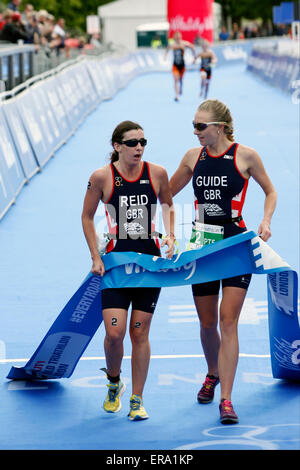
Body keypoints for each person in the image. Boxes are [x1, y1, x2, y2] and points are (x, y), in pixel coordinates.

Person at [170, 99, 277, 424]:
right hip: (203, 244)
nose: (196, 132)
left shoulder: (245, 156)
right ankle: (212, 372)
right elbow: (166, 194)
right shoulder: (192, 157)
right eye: (194, 126)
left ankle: (227, 400)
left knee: (228, 320)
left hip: (234, 242)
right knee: (207, 324)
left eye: (201, 126)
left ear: (220, 127)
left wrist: (266, 221)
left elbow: (270, 191)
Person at [82, 120, 175, 421]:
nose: (139, 148)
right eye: (133, 143)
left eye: (143, 142)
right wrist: (95, 256)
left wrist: (170, 235)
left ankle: (137, 398)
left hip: (148, 263)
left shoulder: (157, 173)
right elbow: (86, 216)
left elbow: (168, 205)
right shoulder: (101, 177)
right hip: (115, 264)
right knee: (114, 333)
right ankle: (113, 383)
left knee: (139, 332)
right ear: (117, 146)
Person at [164, 31, 196, 102]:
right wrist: (165, 56)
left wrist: (194, 56)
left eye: (179, 37)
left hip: (182, 65)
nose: (178, 39)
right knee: (176, 79)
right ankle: (176, 95)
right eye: (176, 37)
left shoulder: (184, 44)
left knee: (180, 79)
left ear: (181, 37)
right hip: (175, 64)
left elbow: (192, 47)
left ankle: (181, 87)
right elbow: (167, 49)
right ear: (174, 38)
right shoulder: (172, 45)